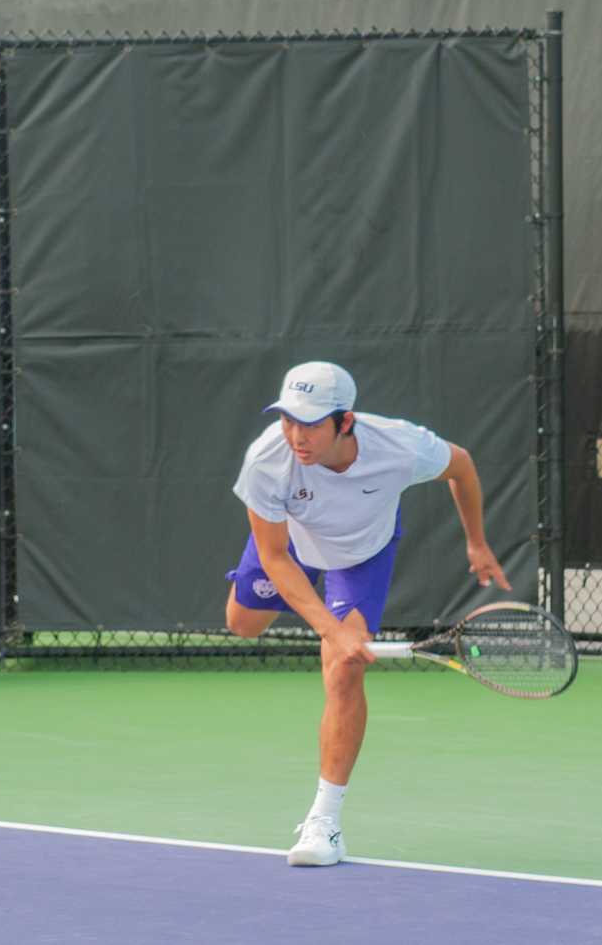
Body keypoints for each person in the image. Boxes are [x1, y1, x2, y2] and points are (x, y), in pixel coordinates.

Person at [224, 360, 510, 867]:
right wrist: (329, 627)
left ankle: (325, 822)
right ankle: (320, 618)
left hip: (361, 554)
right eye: (289, 419)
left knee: (344, 669)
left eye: (311, 423)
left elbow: (461, 466)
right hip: (289, 543)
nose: (296, 435)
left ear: (346, 422)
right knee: (242, 625)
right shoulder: (268, 457)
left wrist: (477, 542)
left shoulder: (401, 446)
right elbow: (273, 556)